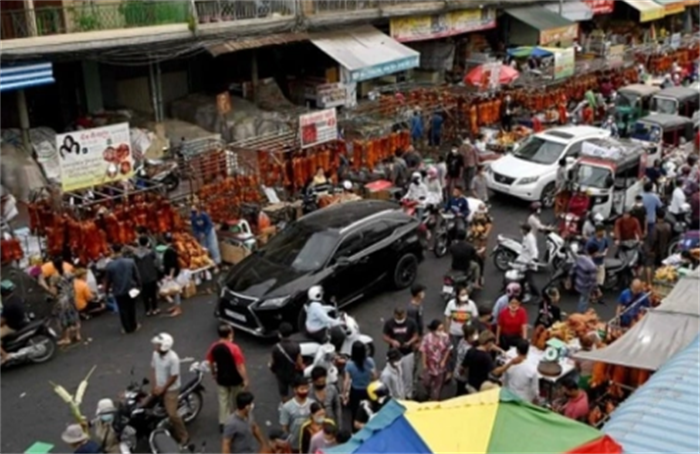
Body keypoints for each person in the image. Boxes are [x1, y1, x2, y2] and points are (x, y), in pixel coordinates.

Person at [206, 324, 248, 432]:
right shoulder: (234, 348)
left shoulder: (213, 347)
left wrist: (213, 373)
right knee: (235, 400)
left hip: (221, 378)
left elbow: (210, 362)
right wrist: (245, 379)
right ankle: (236, 421)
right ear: (229, 334)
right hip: (235, 379)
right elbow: (240, 366)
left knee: (223, 400)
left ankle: (223, 423)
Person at [150, 333, 188, 444]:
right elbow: (153, 369)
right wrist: (154, 385)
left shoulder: (173, 358)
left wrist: (163, 388)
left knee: (172, 414)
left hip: (171, 389)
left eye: (158, 344)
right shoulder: (155, 354)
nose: (155, 346)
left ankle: (183, 435)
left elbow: (173, 376)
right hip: (159, 385)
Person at [382, 307, 418, 398]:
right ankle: (396, 394)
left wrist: (409, 342)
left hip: (408, 353)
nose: (401, 318)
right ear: (395, 315)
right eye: (398, 316)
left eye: (402, 316)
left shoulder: (411, 322)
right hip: (394, 354)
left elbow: (416, 335)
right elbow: (384, 336)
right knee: (395, 375)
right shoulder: (389, 323)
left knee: (408, 375)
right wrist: (392, 341)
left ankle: (408, 394)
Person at [105, 244, 141, 333]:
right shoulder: (130, 262)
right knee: (132, 307)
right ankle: (134, 325)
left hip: (118, 290)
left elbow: (108, 280)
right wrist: (139, 286)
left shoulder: (110, 266)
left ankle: (127, 327)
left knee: (122, 309)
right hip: (131, 288)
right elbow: (136, 275)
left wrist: (106, 290)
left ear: (112, 251)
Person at [48, 257, 81, 346]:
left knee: (63, 318)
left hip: (62, 299)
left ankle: (67, 338)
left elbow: (53, 292)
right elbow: (73, 285)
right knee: (74, 315)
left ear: (54, 266)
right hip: (71, 297)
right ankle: (77, 334)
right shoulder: (69, 274)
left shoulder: (54, 277)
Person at [342, 341, 377, 420]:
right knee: (369, 409)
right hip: (368, 390)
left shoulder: (349, 365)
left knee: (355, 411)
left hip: (355, 391)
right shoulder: (370, 361)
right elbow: (375, 376)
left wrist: (344, 394)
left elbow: (346, 381)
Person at [270, 322, 303, 402]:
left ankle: (286, 407)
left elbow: (272, 362)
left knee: (284, 393)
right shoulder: (296, 346)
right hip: (293, 373)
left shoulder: (275, 348)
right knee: (296, 389)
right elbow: (299, 363)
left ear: (280, 333)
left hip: (281, 374)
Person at [420, 319, 452, 401]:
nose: (441, 331)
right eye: (439, 329)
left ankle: (434, 398)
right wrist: (424, 364)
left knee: (438, 384)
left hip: (440, 365)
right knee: (426, 382)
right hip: (429, 364)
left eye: (442, 329)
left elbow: (448, 349)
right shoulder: (427, 338)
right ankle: (428, 392)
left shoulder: (445, 337)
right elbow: (423, 350)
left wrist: (444, 361)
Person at [304, 286, 344, 352]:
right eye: (320, 293)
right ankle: (335, 350)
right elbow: (326, 319)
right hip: (317, 331)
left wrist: (331, 308)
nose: (322, 294)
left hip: (311, 326)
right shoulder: (316, 307)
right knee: (332, 337)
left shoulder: (312, 303)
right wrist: (340, 321)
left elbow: (321, 309)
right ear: (317, 295)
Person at [280, 377, 314, 454]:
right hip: (294, 443)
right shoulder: (287, 407)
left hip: (309, 442)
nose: (305, 391)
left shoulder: (312, 404)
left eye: (306, 388)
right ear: (295, 390)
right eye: (302, 389)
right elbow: (284, 427)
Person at [502, 339, 538, 403]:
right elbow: (534, 390)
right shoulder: (532, 369)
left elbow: (504, 381)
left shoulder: (508, 364)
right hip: (524, 400)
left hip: (509, 396)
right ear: (528, 351)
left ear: (517, 350)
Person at [444, 285, 479, 350]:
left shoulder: (471, 304)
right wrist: (447, 331)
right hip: (454, 333)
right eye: (462, 294)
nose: (464, 296)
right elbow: (447, 318)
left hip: (467, 334)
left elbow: (475, 318)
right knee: (455, 350)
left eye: (465, 294)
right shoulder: (451, 304)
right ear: (457, 295)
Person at [0, 280, 27, 364]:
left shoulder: (8, 305)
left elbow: (2, 320)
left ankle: (5, 356)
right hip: (20, 320)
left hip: (12, 326)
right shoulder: (16, 298)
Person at [134, 235, 160, 316]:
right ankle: (155, 308)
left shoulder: (136, 254)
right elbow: (156, 262)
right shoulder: (151, 252)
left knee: (145, 294)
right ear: (147, 243)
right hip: (151, 275)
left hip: (142, 277)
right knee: (153, 293)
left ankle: (147, 310)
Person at [646, 210, 673, 283]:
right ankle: (661, 281)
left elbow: (654, 239)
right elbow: (670, 237)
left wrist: (650, 250)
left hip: (656, 250)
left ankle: (650, 282)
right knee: (663, 266)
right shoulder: (668, 226)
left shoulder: (655, 227)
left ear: (656, 217)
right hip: (664, 249)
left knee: (650, 265)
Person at [586, 225, 610, 301]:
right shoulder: (591, 242)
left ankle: (595, 293)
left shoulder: (604, 239)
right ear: (597, 231)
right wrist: (597, 255)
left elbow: (606, 247)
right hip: (593, 263)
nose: (603, 232)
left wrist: (605, 252)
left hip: (601, 263)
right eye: (602, 231)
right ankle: (593, 295)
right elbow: (589, 253)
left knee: (600, 281)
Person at [161, 233, 183, 317]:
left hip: (173, 274)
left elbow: (172, 265)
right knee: (173, 291)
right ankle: (175, 306)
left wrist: (171, 275)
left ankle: (178, 309)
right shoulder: (173, 248)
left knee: (175, 291)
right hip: (174, 273)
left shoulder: (169, 251)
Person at [453, 324, 478, 396]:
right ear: (470, 336)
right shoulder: (469, 349)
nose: (476, 336)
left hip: (457, 371)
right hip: (463, 374)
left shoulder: (462, 341)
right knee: (462, 392)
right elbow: (467, 364)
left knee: (459, 389)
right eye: (475, 334)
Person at [517, 223, 540, 298]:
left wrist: (533, 260)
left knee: (529, 281)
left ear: (525, 230)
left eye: (522, 229)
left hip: (528, 263)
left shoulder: (530, 239)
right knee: (522, 279)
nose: (520, 231)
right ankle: (522, 293)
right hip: (523, 261)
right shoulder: (525, 237)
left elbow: (534, 250)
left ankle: (537, 295)